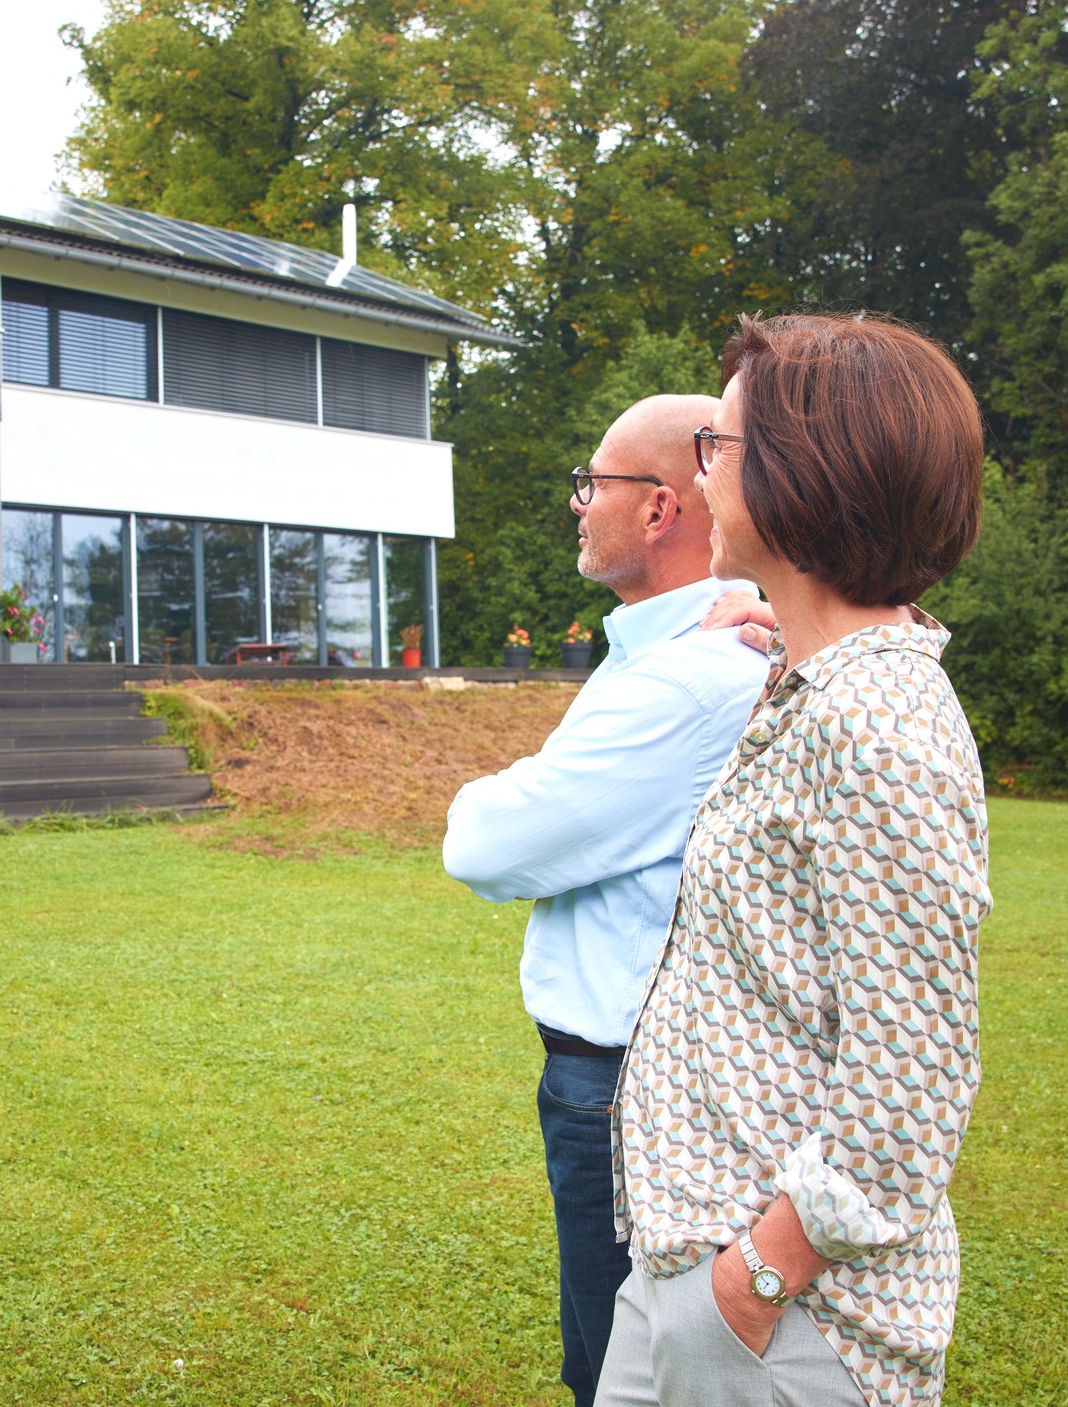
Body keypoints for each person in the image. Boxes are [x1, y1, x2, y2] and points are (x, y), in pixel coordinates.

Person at [597, 312, 991, 1407]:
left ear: (802, 474)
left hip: (791, 1314)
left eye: (716, 448)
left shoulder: (876, 725)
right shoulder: (822, 678)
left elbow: (908, 1081)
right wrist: (770, 604)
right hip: (690, 1258)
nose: (698, 475)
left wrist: (758, 1274)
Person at [442, 393, 774, 1407]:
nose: (577, 504)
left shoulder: (689, 677)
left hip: (621, 1091)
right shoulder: (684, 656)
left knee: (616, 1376)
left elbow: (487, 844)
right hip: (623, 1079)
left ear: (660, 507)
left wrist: (485, 790)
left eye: (593, 483)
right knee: (610, 1356)